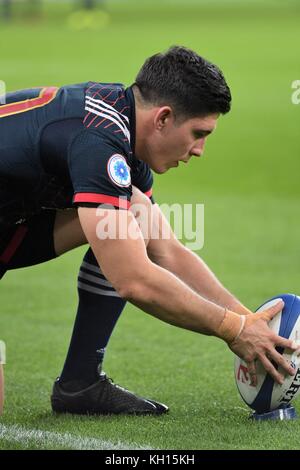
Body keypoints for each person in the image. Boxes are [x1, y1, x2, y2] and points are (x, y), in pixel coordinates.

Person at [0, 46, 297, 416]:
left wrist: (247, 319)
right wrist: (233, 329)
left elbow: (167, 251)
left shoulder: (123, 129)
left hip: (10, 224)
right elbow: (134, 280)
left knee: (132, 213)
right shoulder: (99, 142)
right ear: (164, 118)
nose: (200, 150)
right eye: (198, 133)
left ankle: (81, 383)